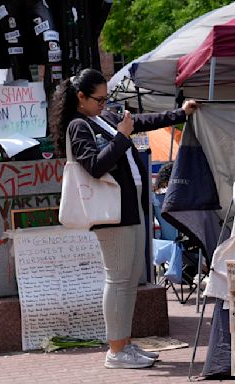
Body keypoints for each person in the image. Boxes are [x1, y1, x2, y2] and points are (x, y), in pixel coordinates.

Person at [49, 68, 197, 369]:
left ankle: (124, 344)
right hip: (109, 213)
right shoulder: (79, 126)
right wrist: (121, 137)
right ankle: (116, 350)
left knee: (129, 280)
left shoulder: (99, 118)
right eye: (99, 100)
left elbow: (140, 121)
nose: (105, 104)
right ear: (81, 98)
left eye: (107, 99)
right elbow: (94, 166)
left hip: (127, 208)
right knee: (118, 280)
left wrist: (179, 114)